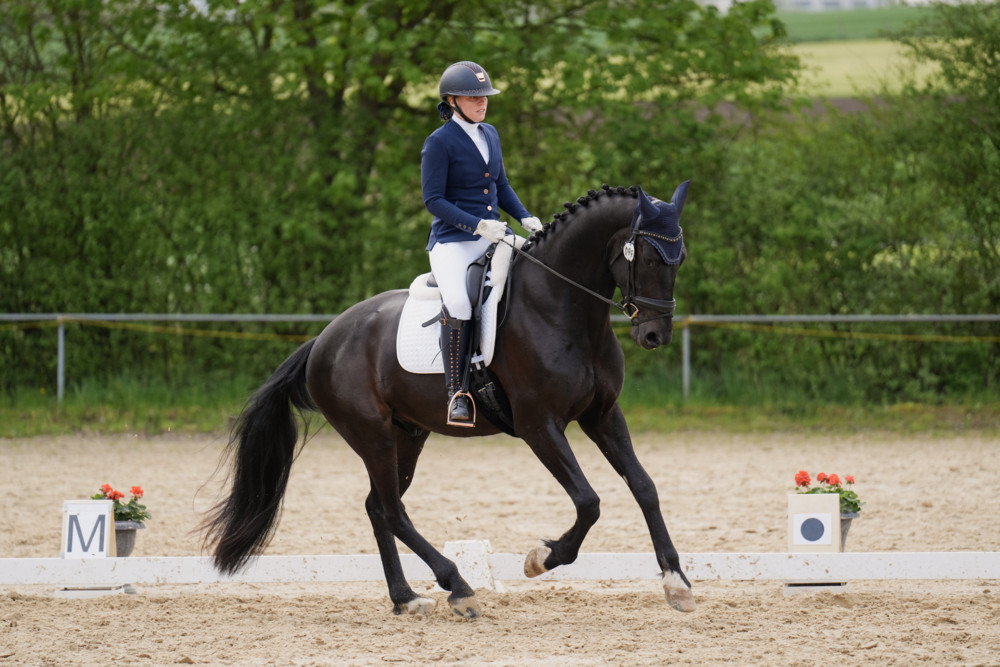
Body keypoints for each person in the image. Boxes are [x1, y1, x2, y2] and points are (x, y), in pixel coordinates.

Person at [421, 61, 542, 427]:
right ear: (452, 101)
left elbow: (500, 185)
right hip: (453, 242)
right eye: (473, 98)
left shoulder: (490, 133)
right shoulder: (439, 142)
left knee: (536, 276)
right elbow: (433, 200)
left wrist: (524, 217)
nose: (482, 103)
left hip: (495, 234)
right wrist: (476, 225)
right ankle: (456, 393)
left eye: (484, 97)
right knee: (459, 303)